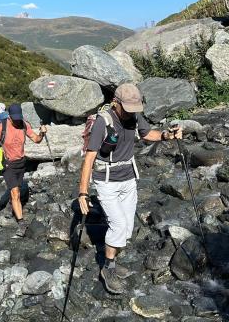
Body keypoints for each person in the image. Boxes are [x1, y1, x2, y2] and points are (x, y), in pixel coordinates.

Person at [78, 83, 182, 294]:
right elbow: (89, 158)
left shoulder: (133, 116)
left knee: (126, 228)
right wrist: (83, 192)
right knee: (117, 225)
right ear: (115, 103)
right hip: (106, 181)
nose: (131, 112)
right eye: (127, 107)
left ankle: (113, 260)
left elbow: (146, 133)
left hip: (128, 179)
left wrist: (166, 136)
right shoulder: (103, 122)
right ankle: (107, 269)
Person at [0, 103, 47, 237]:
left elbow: (36, 140)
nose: (17, 120)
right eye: (14, 118)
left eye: (18, 117)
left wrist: (42, 133)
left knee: (17, 190)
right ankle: (21, 223)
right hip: (8, 164)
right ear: (9, 116)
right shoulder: (1, 127)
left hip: (21, 163)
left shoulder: (24, 124)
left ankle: (10, 206)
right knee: (15, 193)